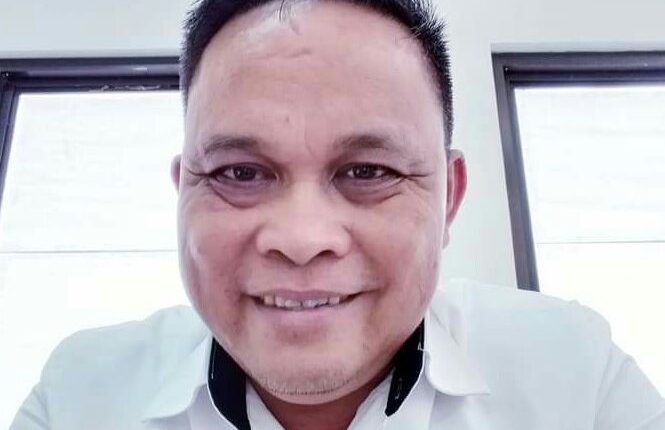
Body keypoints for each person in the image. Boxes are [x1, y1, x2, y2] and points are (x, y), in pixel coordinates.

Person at [11, 0, 665, 429]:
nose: (301, 240)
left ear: (448, 198)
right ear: (182, 191)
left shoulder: (573, 380)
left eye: (368, 172)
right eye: (241, 173)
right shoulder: (80, 397)